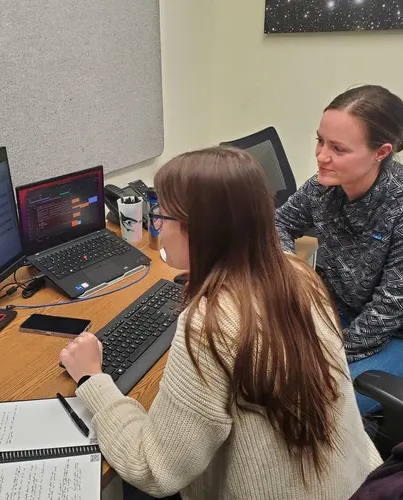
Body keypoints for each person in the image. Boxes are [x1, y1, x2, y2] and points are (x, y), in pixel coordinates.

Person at [60, 147, 380, 500]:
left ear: (200, 232)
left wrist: (92, 380)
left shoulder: (210, 324)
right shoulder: (299, 274)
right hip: (354, 482)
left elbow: (153, 470)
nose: (159, 228)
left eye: (162, 216)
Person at [275, 85, 403, 416]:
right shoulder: (322, 187)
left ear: (381, 152)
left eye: (338, 149)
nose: (321, 156)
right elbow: (279, 225)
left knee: (312, 408)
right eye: (320, 141)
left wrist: (325, 352)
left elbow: (388, 309)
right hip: (338, 310)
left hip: (392, 333)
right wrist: (292, 267)